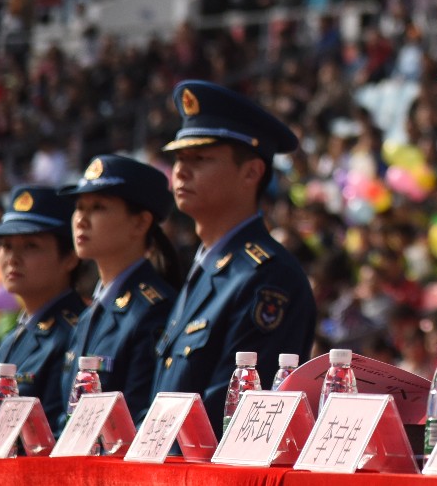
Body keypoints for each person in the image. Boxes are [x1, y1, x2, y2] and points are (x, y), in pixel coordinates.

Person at [147, 80, 316, 430]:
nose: (181, 170)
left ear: (251, 172)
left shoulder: (267, 276)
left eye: (200, 158)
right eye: (178, 158)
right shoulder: (206, 267)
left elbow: (233, 417)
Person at [57, 155, 181, 424]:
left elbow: (139, 420)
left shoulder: (154, 309)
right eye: (79, 207)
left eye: (98, 207)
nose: (80, 220)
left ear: (140, 223)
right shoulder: (93, 312)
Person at [0, 185, 85, 426]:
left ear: (70, 257)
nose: (12, 258)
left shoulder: (75, 332)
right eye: (6, 245)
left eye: (31, 246)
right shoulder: (14, 336)